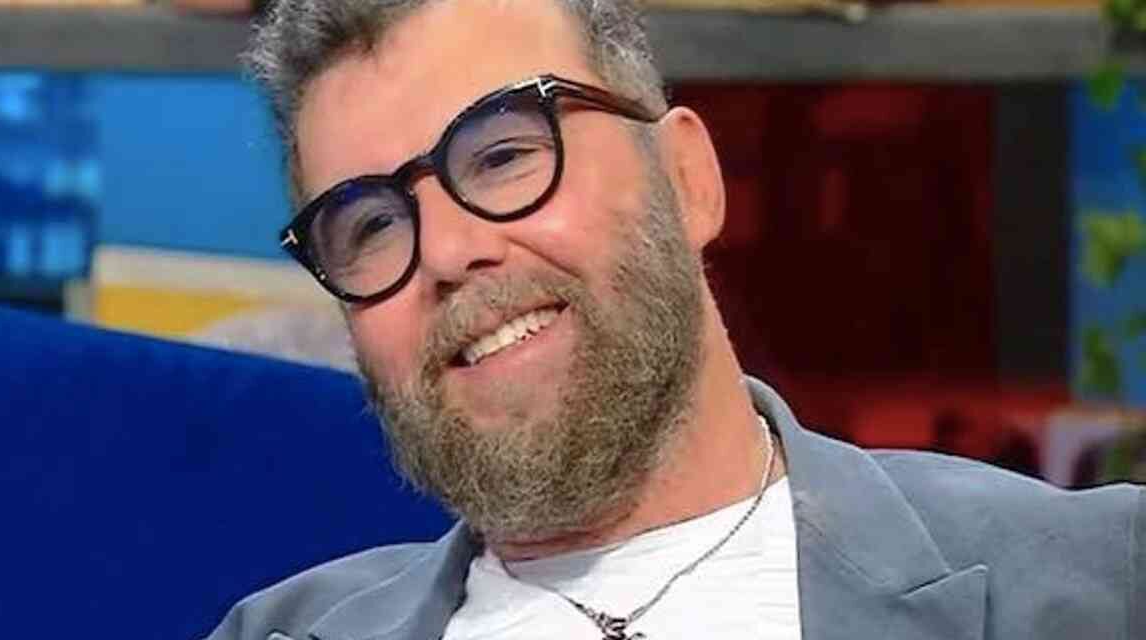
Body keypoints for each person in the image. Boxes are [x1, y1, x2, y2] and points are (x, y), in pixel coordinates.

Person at [206, 1, 1145, 638]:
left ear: (688, 179)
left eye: (502, 156)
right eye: (370, 224)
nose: (448, 252)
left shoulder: (1105, 582)